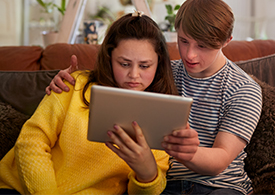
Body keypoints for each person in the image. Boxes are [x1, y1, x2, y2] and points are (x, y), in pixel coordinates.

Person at [44, 0, 262, 195]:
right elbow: (121, 77)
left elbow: (220, 160)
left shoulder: (244, 89)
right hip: (163, 184)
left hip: (220, 186)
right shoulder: (163, 72)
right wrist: (71, 82)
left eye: (203, 46)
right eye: (184, 41)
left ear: (227, 41)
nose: (190, 54)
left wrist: (185, 151)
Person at [0, 12, 179, 195]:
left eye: (144, 66)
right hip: (22, 189)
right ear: (109, 57)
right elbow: (31, 141)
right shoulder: (74, 85)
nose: (134, 75)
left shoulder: (160, 114)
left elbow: (145, 191)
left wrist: (147, 173)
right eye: (124, 64)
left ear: (159, 63)